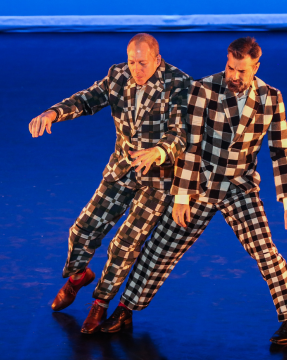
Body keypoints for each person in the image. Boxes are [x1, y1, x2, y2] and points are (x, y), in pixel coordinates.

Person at [102, 37, 287, 345]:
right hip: (201, 183)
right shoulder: (204, 89)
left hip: (239, 186)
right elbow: (191, 146)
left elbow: (281, 151)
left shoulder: (271, 97)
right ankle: (125, 309)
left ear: (256, 67)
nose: (234, 75)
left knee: (265, 251)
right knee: (160, 248)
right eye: (230, 68)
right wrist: (182, 197)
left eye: (242, 71)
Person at [28, 33, 190, 334]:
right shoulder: (118, 75)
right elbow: (87, 99)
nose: (136, 69)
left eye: (143, 63)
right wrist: (53, 113)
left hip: (158, 179)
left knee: (124, 244)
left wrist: (159, 151)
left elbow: (182, 134)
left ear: (157, 59)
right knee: (82, 229)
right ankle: (78, 276)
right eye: (132, 62)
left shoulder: (179, 83)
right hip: (122, 169)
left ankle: (100, 303)